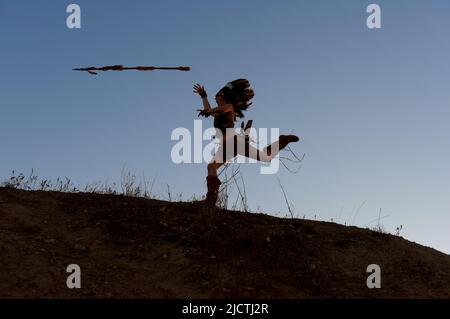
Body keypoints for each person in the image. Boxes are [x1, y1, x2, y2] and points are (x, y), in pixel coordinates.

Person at [194, 79, 299, 206]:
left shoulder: (229, 107)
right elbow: (210, 109)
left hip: (235, 143)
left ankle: (282, 141)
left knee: (267, 158)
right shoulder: (217, 112)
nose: (218, 101)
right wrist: (203, 95)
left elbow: (212, 110)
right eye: (217, 100)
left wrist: (209, 111)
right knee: (211, 167)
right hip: (226, 147)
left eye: (220, 99)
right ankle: (210, 200)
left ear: (226, 99)